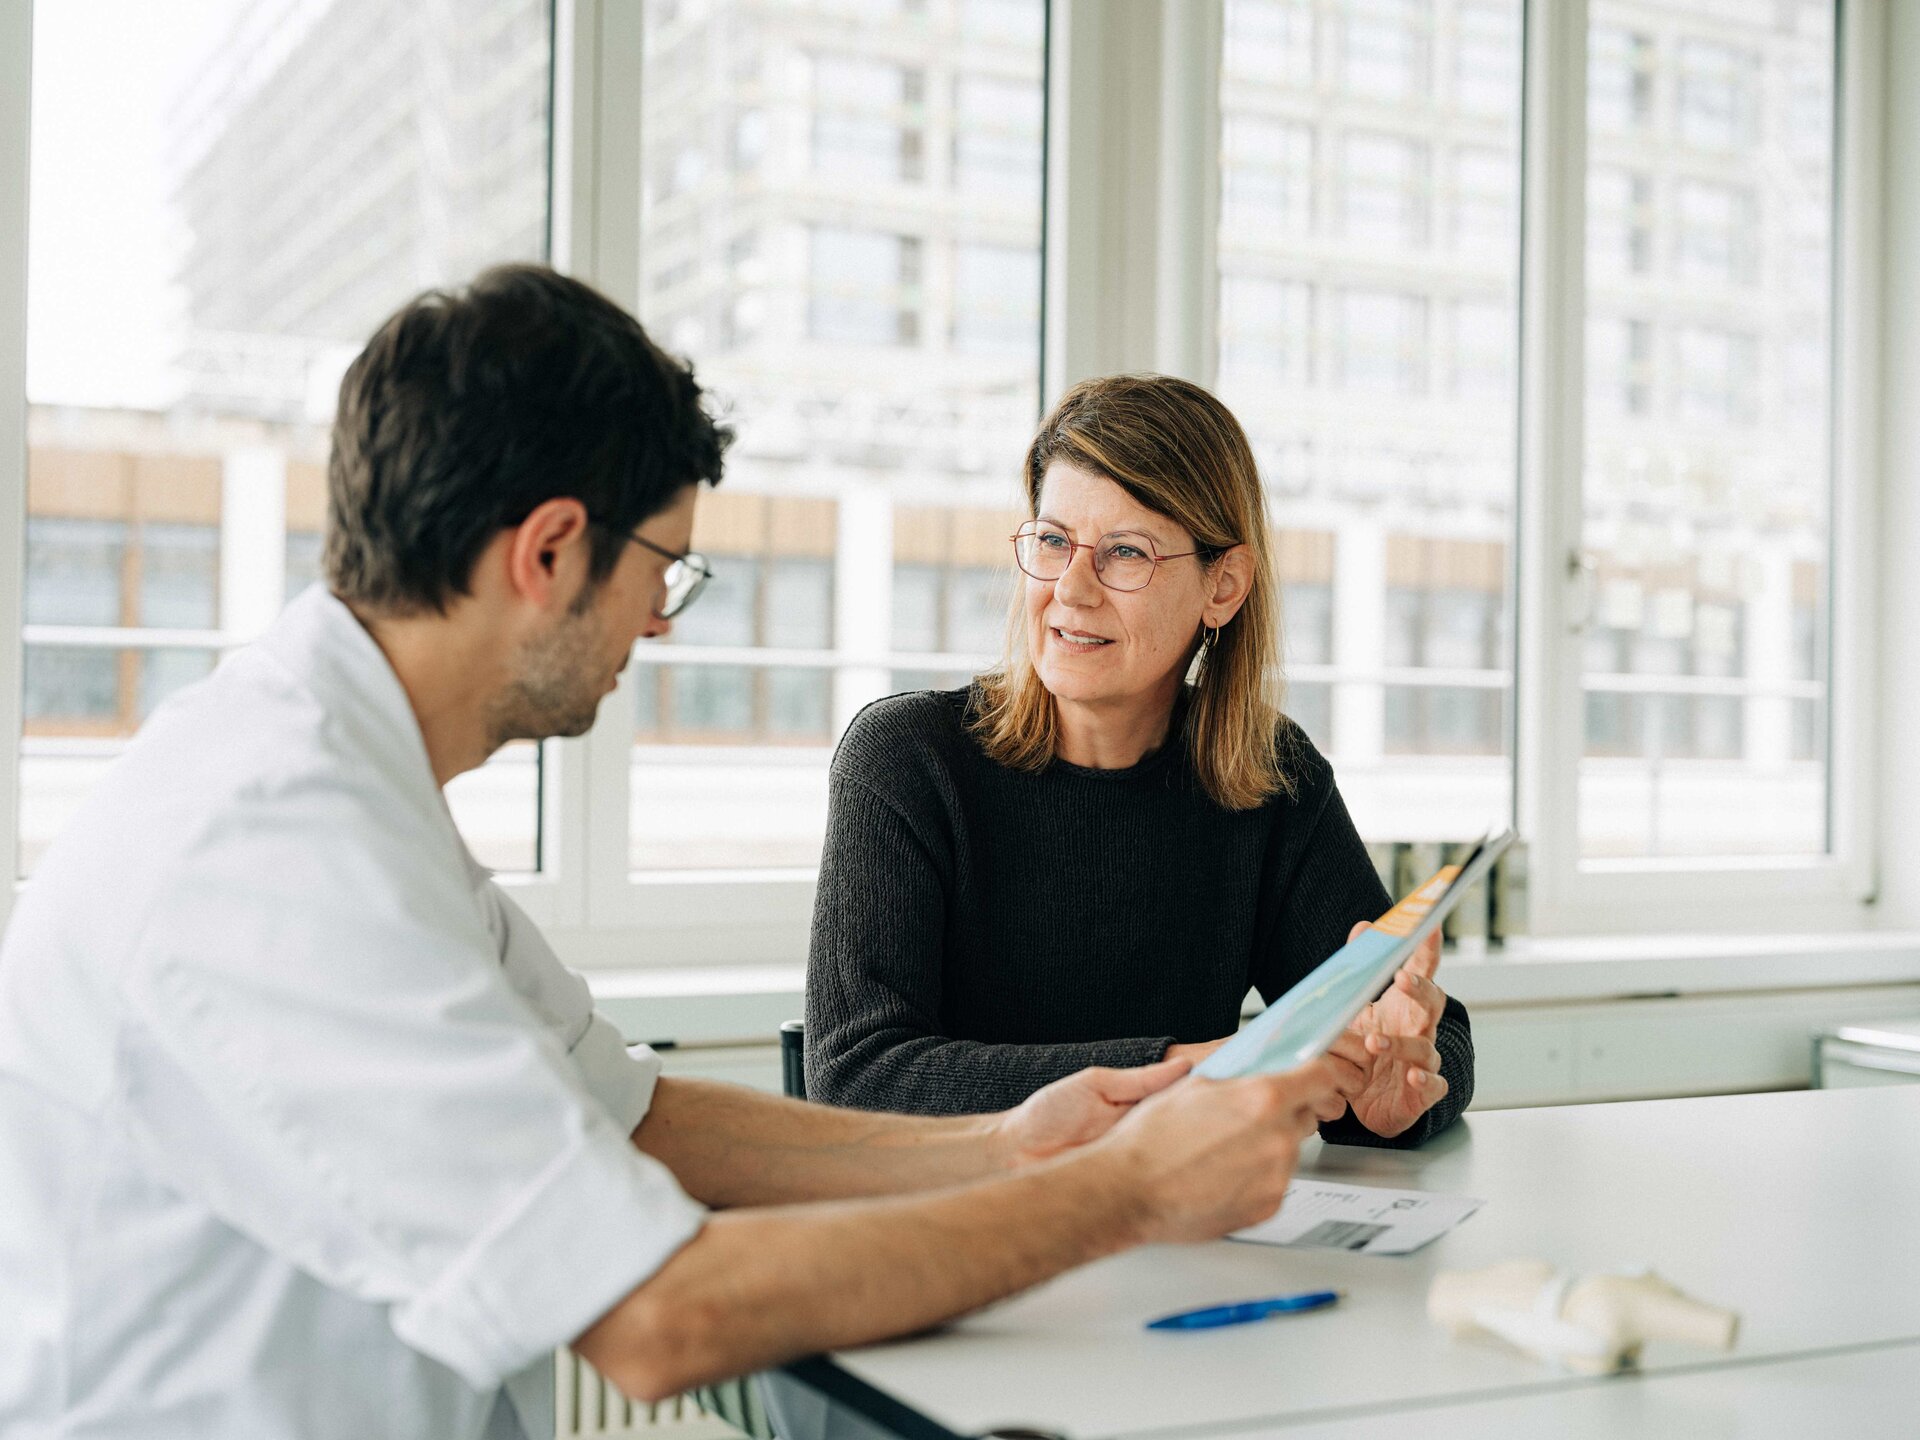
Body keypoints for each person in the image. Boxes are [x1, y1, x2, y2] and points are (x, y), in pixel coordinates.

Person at [0, 267, 1362, 1440]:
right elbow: (656, 1314)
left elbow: (638, 1117)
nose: (659, 624)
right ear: (549, 551)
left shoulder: (341, 785)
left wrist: (1012, 1147)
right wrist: (1120, 1194)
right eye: (666, 569)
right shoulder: (273, 854)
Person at [805, 373, 1473, 1145]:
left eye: (1125, 553)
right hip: (961, 1237)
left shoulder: (1269, 776)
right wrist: (1194, 1074)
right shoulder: (905, 761)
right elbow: (858, 1077)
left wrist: (1398, 1089)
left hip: (1176, 1235)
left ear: (1222, 587)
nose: (1071, 591)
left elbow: (1424, 1034)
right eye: (1053, 542)